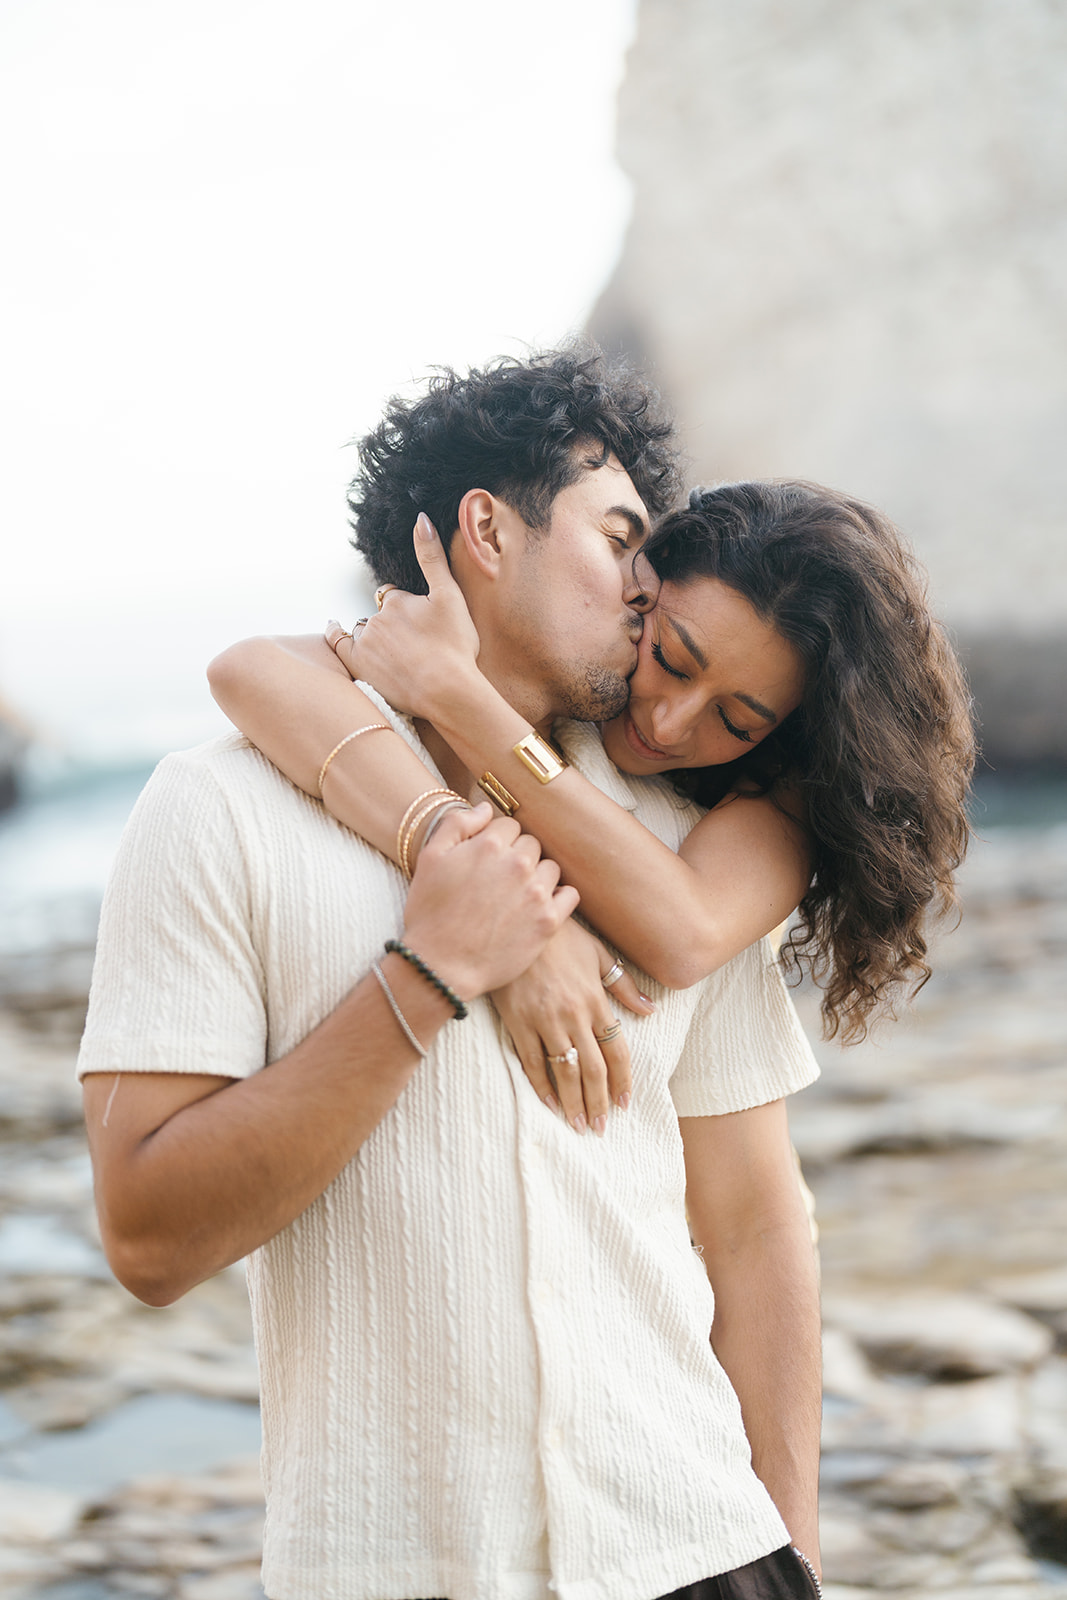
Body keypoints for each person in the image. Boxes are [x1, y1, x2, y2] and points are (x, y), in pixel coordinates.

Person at [82, 346, 840, 1600]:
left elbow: (755, 1222)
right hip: (391, 1568)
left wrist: (794, 1558)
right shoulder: (214, 810)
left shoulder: (673, 839)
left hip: (702, 1549)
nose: (650, 597)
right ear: (486, 530)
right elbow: (147, 1236)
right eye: (618, 542)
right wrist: (425, 978)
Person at [209, 476, 974, 1128]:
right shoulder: (566, 683)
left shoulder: (777, 801)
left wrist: (457, 695)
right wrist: (509, 907)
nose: (668, 724)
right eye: (669, 660)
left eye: (735, 721)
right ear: (637, 587)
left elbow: (682, 933)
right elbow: (251, 669)